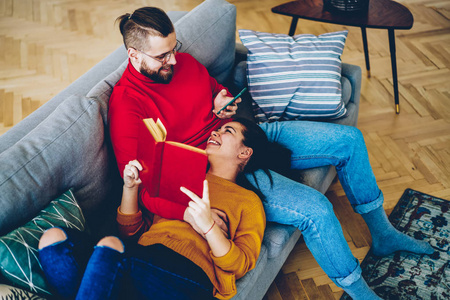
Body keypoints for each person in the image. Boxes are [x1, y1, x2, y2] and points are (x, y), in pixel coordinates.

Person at [108, 6, 434, 300]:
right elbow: (144, 188)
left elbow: (213, 90)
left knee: (349, 140)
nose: (174, 60)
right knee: (316, 209)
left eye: (174, 49)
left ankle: (383, 234)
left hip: (236, 134)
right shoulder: (126, 105)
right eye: (162, 57)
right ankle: (361, 292)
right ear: (134, 55)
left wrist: (222, 100)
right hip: (215, 169)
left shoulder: (184, 63)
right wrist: (193, 215)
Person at [38, 118, 272, 299]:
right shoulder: (182, 175)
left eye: (227, 131)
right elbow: (131, 234)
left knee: (110, 249)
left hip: (190, 276)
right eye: (218, 129)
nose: (215, 132)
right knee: (54, 238)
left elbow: (240, 265)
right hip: (143, 256)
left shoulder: (247, 201)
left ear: (245, 152)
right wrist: (130, 187)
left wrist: (208, 227)